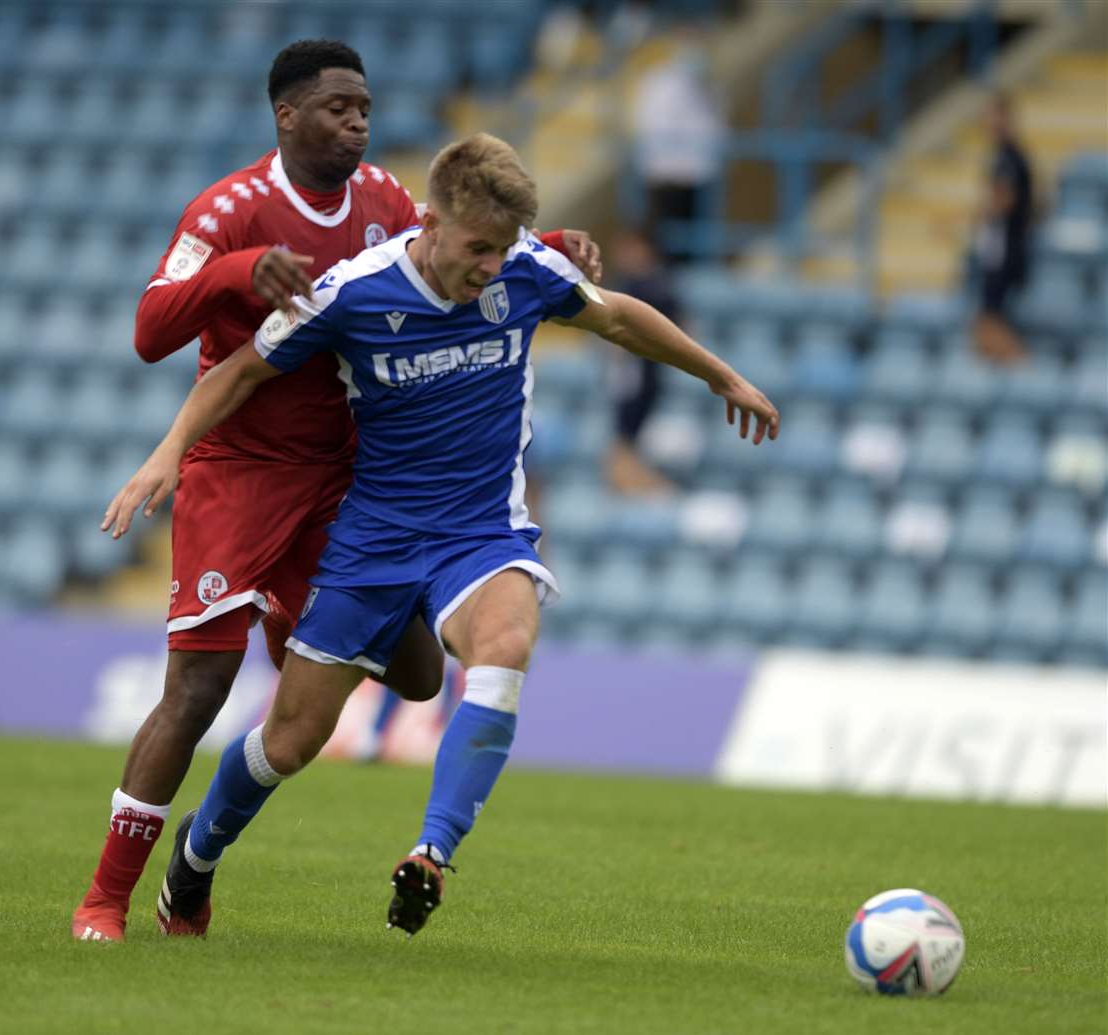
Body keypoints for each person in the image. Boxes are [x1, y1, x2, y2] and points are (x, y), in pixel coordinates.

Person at [103, 133, 778, 939]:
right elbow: (242, 370)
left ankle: (432, 851)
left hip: (480, 531)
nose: (490, 266)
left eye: (502, 249)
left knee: (505, 641)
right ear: (430, 224)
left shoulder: (526, 270)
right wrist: (167, 454)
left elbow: (618, 319)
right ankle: (196, 859)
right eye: (476, 248)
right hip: (374, 539)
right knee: (290, 739)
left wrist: (721, 375)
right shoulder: (351, 293)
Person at [71, 40, 603, 943]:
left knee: (420, 671)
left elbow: (446, 254)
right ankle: (106, 900)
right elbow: (151, 330)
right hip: (241, 471)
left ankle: (285, 666)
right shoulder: (228, 209)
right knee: (198, 689)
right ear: (287, 115)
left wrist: (544, 250)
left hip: (345, 480)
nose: (358, 121)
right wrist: (240, 272)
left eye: (365, 107)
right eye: (338, 107)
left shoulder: (388, 200)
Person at [630, 30, 725, 262]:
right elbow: (653, 128)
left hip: (698, 176)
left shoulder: (706, 86)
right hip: (668, 177)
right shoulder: (662, 84)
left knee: (691, 242)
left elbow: (714, 128)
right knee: (668, 242)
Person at [605, 228, 683, 494]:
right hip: (634, 373)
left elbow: (682, 328)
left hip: (642, 373)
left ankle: (648, 490)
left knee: (627, 439)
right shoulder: (634, 285)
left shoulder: (652, 287)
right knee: (625, 440)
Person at [971, 94, 1033, 365]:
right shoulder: (1006, 156)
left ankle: (1024, 369)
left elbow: (1003, 202)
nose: (986, 122)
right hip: (1001, 246)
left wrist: (969, 218)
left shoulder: (1009, 157)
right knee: (983, 324)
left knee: (990, 320)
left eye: (991, 115)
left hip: (1005, 248)